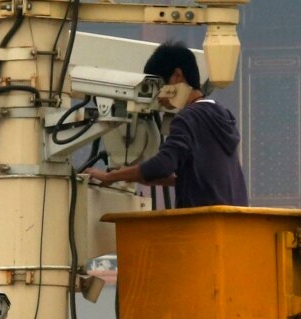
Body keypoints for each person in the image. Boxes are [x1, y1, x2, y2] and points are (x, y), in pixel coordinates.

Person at [82, 41, 249, 208]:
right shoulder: (221, 113)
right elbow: (210, 177)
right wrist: (140, 176)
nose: (158, 98)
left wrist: (110, 177)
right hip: (232, 221)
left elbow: (163, 165)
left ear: (177, 75)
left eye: (159, 87)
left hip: (203, 224)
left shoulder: (188, 118)